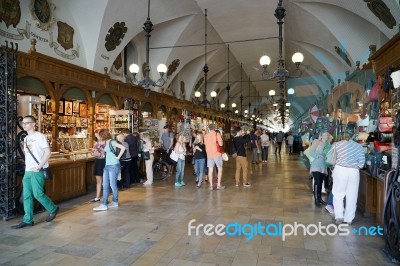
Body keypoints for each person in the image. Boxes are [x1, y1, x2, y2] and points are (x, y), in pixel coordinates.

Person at [11, 115, 59, 229]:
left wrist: (39, 166)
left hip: (38, 170)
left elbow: (48, 152)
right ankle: (28, 220)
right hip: (28, 171)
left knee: (38, 194)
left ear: (33, 124)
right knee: (26, 195)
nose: (24, 125)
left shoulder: (39, 136)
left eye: (27, 123)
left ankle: (53, 209)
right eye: (23, 123)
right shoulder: (26, 138)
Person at [332, 131, 365, 225]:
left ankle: (339, 216)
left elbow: (332, 158)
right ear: (354, 135)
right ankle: (348, 218)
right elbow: (361, 164)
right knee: (352, 195)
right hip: (353, 172)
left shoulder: (336, 145)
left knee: (338, 194)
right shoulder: (359, 146)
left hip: (340, 170)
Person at [93, 129, 126, 211]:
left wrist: (118, 157)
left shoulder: (112, 142)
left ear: (103, 135)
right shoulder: (106, 142)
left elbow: (123, 148)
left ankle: (115, 201)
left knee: (112, 184)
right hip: (107, 165)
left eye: (100, 135)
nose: (99, 137)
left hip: (113, 165)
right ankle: (104, 203)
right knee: (105, 184)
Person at [309, 132, 331, 207]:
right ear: (321, 136)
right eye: (325, 135)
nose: (326, 137)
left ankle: (320, 198)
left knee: (321, 182)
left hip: (324, 165)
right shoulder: (317, 142)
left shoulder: (328, 144)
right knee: (317, 181)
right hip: (316, 164)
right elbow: (311, 152)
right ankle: (316, 199)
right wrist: (318, 156)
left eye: (327, 135)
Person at [204, 124, 225, 190]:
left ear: (209, 128)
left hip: (209, 155)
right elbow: (221, 144)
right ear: (215, 128)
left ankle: (211, 186)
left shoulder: (205, 136)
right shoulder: (217, 134)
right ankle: (218, 185)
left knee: (210, 170)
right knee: (220, 169)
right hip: (217, 154)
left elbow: (205, 145)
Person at [89, 128, 106, 203]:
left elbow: (106, 155)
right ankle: (97, 197)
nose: (97, 135)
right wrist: (93, 153)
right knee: (98, 180)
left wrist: (98, 154)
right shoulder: (96, 143)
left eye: (97, 134)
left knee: (106, 181)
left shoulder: (107, 143)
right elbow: (94, 153)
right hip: (98, 162)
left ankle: (105, 197)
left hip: (105, 162)